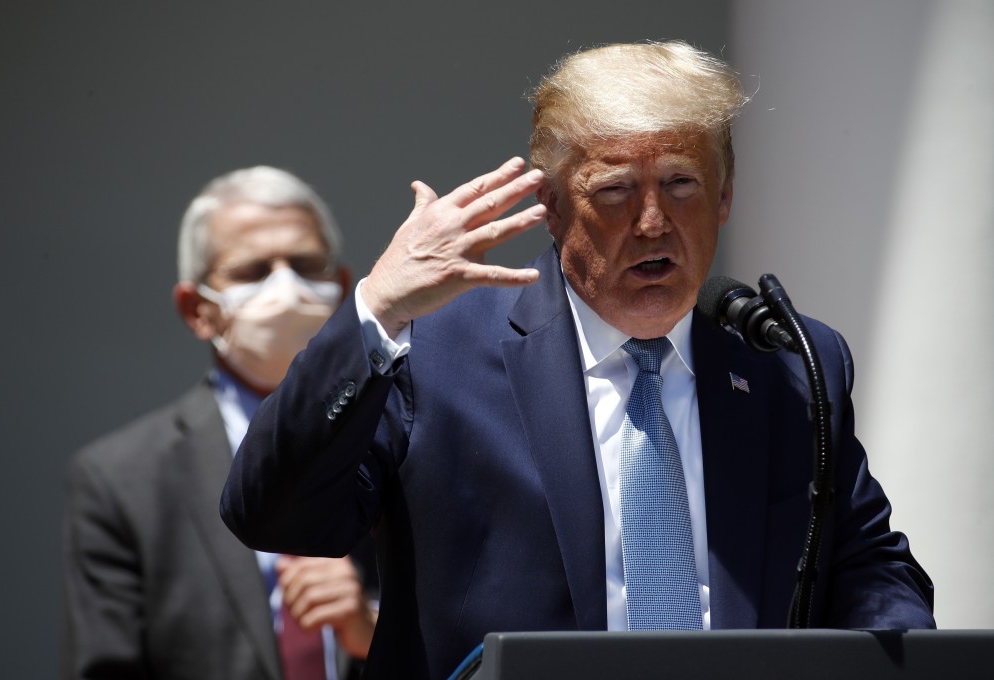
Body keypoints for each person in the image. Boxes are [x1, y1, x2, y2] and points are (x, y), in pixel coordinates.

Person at [220, 42, 935, 679]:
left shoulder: (788, 361)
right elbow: (272, 515)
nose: (652, 221)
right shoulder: (431, 349)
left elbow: (865, 562)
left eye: (681, 184)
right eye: (617, 190)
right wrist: (376, 309)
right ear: (553, 207)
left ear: (725, 196)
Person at [62, 166, 377, 680]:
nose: (287, 287)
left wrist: (373, 627)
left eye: (305, 265)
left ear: (343, 288)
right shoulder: (120, 479)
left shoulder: (409, 433)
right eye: (253, 271)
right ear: (196, 310)